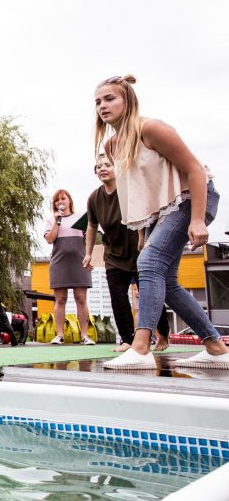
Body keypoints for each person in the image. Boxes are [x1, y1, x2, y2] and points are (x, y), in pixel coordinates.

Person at [94, 75, 229, 369]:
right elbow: (142, 189)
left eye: (109, 99)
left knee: (149, 264)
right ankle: (216, 346)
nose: (102, 106)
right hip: (163, 211)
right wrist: (144, 231)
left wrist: (197, 221)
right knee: (165, 279)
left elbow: (196, 171)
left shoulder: (150, 128)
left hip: (193, 198)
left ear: (127, 100)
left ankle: (141, 347)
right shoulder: (113, 144)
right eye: (98, 102)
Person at [84, 154, 170, 352]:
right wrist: (88, 253)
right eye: (98, 167)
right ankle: (127, 340)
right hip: (113, 254)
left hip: (139, 251)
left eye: (107, 165)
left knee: (150, 294)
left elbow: (141, 212)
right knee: (117, 296)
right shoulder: (94, 198)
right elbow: (91, 226)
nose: (102, 169)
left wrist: (142, 237)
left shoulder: (128, 189)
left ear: (118, 169)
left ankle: (163, 334)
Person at [44, 189, 95, 345]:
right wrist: (56, 222)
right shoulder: (51, 220)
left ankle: (84, 335)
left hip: (79, 262)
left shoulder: (81, 218)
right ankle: (59, 335)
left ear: (70, 201)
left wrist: (90, 257)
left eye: (63, 198)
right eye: (57, 200)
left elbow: (91, 237)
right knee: (60, 299)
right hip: (59, 263)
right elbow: (50, 239)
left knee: (81, 298)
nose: (60, 202)